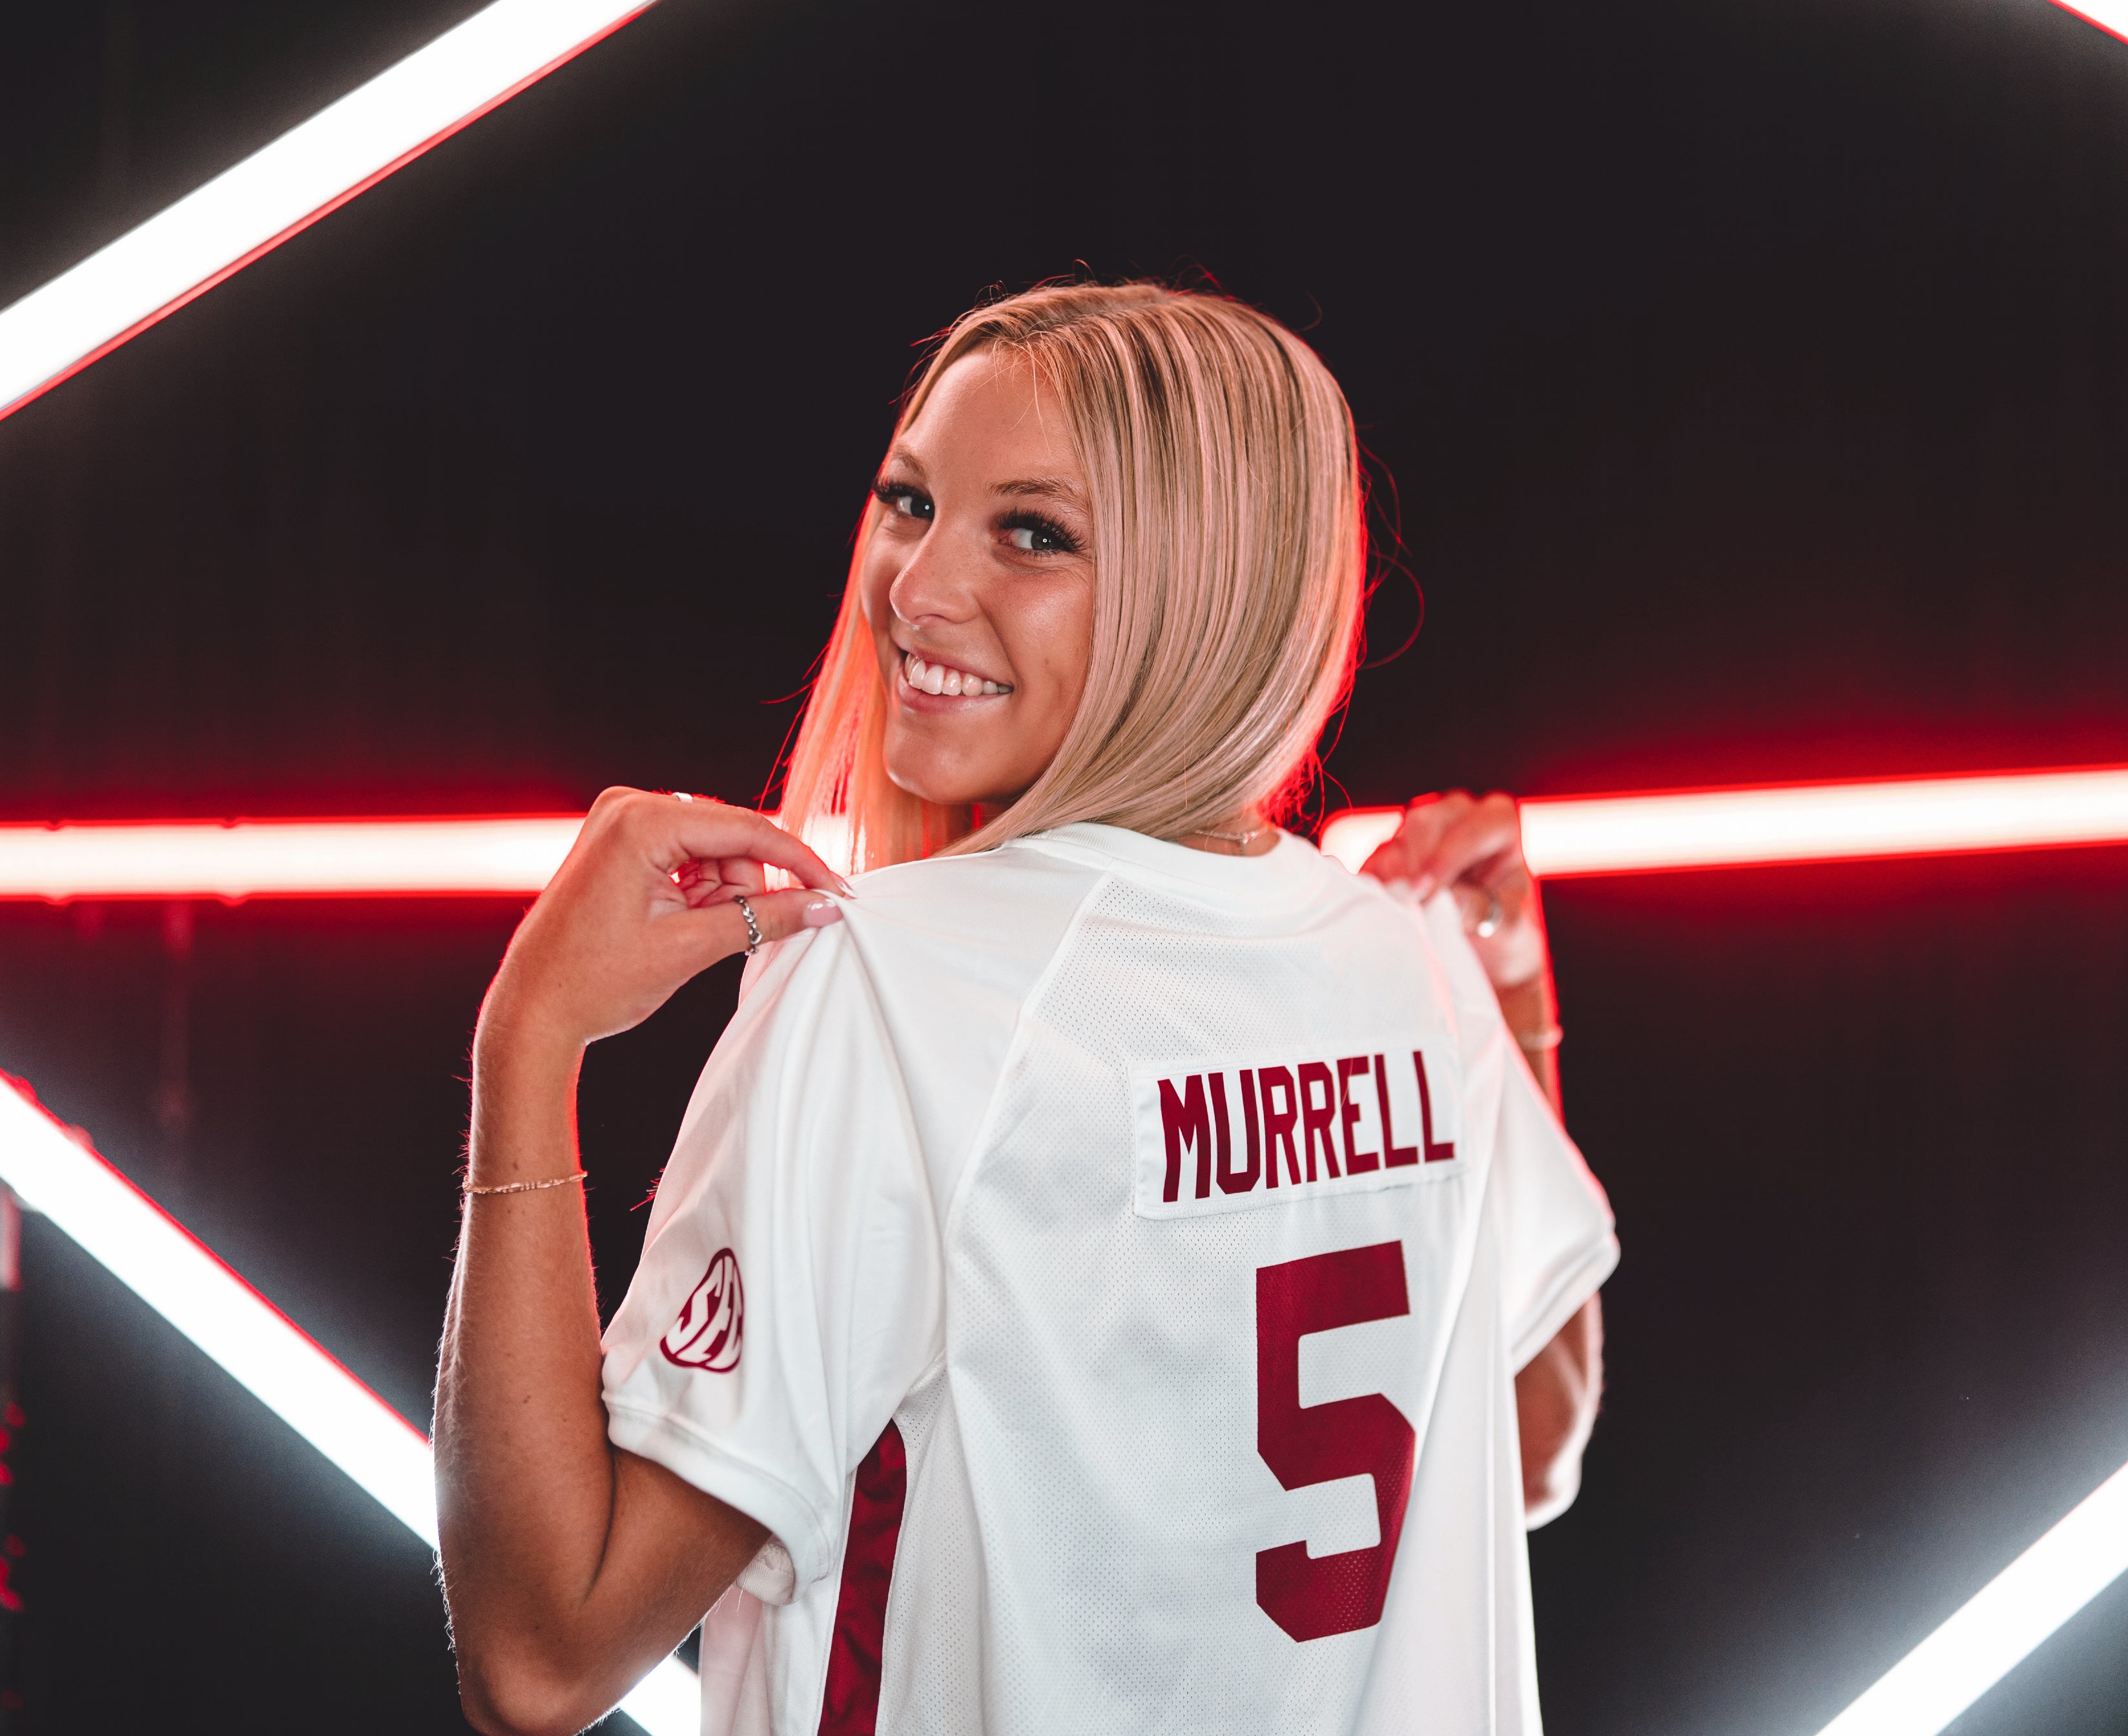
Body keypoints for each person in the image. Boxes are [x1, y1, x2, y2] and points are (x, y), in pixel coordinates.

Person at [435, 282, 1613, 1736]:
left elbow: (541, 1657)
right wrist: (1512, 1012)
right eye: (910, 501)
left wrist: (528, 1036)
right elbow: (1541, 1442)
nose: (915, 590)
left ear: (1207, 586)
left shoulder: (890, 987)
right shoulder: (1406, 966)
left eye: (1035, 533)